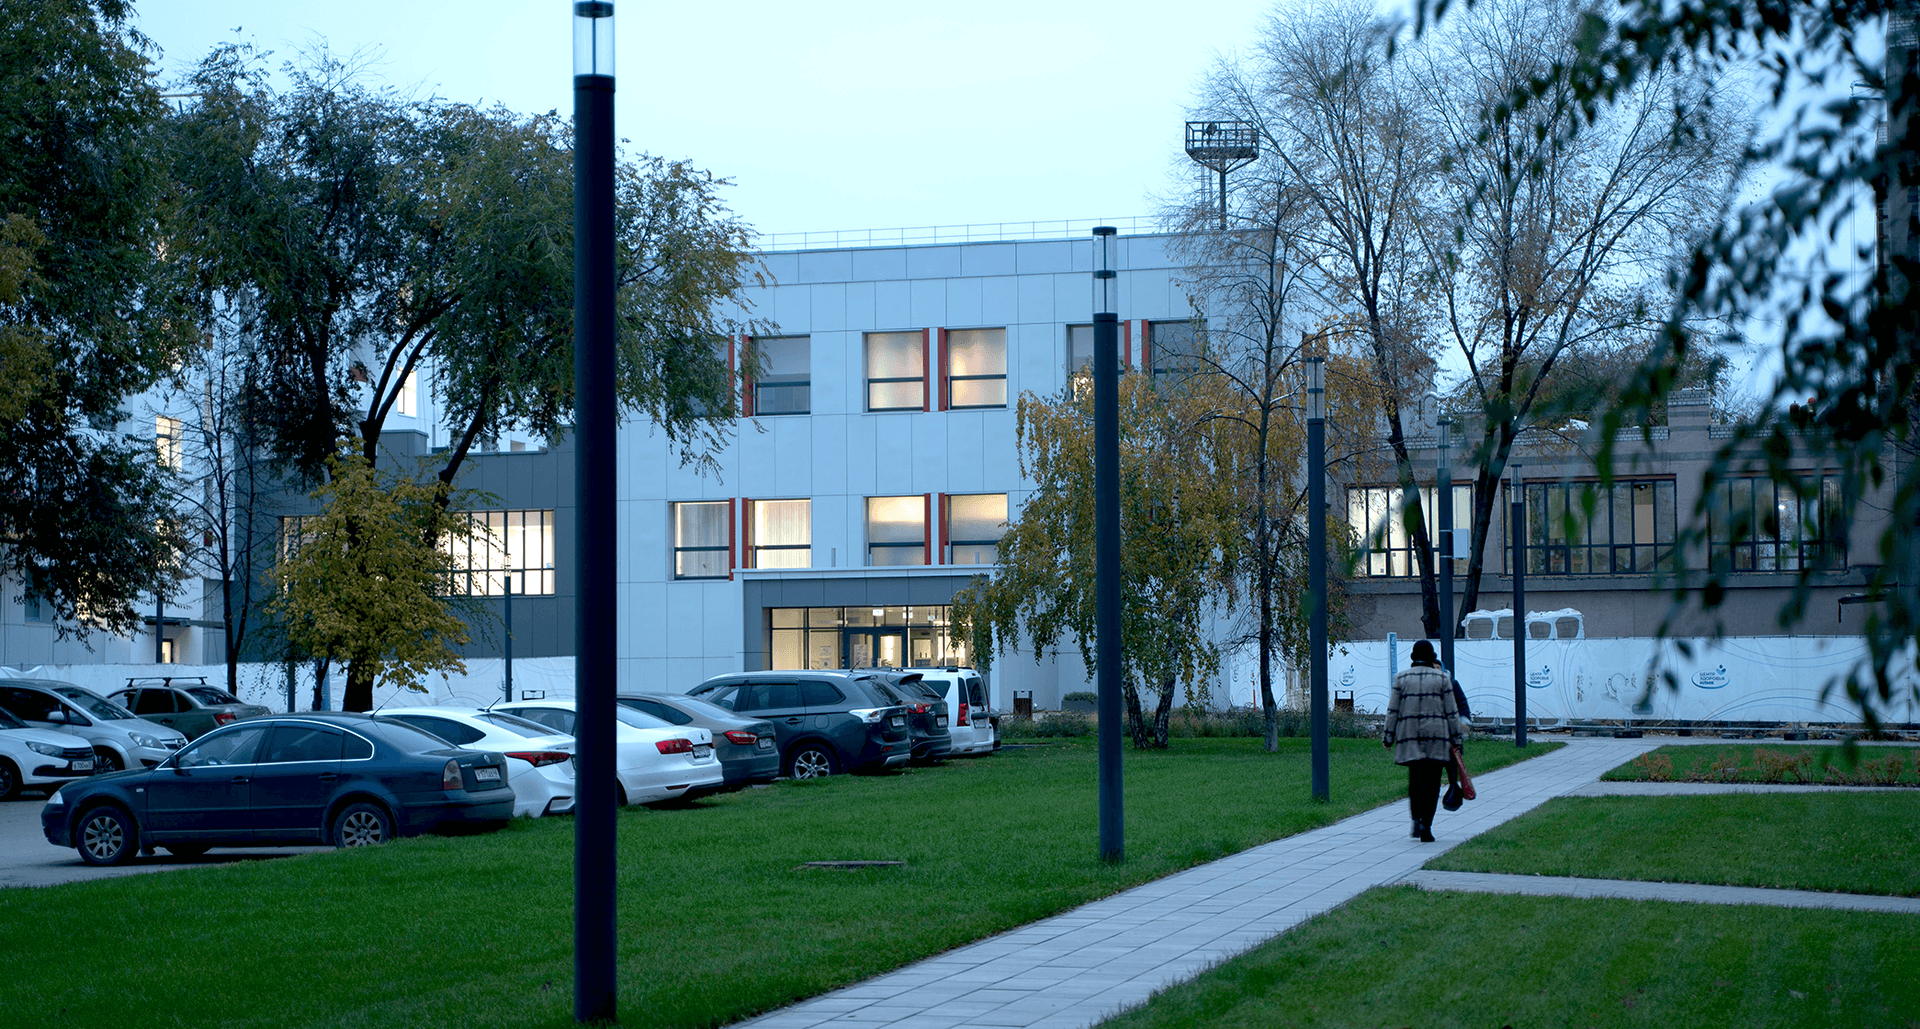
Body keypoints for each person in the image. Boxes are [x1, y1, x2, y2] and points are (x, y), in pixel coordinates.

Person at [1383, 640, 1463, 842]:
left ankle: (1416, 819)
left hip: (1410, 736)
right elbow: (1452, 712)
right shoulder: (1442, 679)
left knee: (1415, 780)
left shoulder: (1401, 678)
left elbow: (1392, 710)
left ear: (1413, 657)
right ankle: (1427, 824)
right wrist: (1457, 739)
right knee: (1433, 783)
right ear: (1432, 657)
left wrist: (1388, 736)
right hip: (1436, 737)